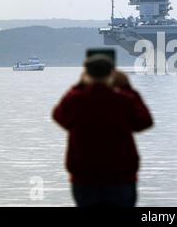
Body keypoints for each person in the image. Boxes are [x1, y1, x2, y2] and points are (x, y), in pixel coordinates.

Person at [52, 54, 153, 207]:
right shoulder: (125, 100)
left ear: (86, 74)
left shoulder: (75, 101)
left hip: (84, 179)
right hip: (122, 178)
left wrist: (79, 85)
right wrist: (127, 87)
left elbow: (58, 116)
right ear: (112, 73)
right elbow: (145, 122)